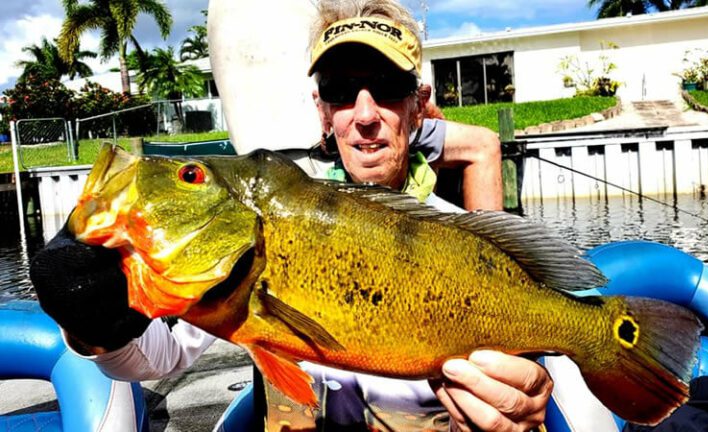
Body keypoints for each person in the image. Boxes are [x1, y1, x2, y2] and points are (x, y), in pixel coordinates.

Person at [30, 1, 551, 432]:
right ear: (322, 111)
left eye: (387, 87)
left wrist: (519, 415)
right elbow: (154, 359)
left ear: (418, 105)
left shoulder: (465, 244)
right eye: (341, 91)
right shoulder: (266, 220)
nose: (365, 115)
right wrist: (94, 323)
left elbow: (524, 385)